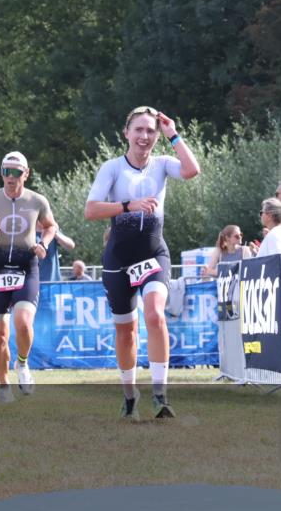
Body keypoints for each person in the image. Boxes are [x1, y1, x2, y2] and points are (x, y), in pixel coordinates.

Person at [84, 106, 200, 421]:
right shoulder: (112, 168)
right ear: (127, 133)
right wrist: (128, 206)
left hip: (153, 254)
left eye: (150, 131)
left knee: (154, 314)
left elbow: (191, 171)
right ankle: (130, 396)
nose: (145, 136)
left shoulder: (162, 164)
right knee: (126, 331)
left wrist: (173, 133)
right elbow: (91, 211)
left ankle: (161, 396)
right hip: (119, 258)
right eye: (139, 130)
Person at [0, 151, 57, 403]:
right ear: (1, 173)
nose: (10, 177)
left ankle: (23, 364)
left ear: (26, 174)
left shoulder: (37, 200)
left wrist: (44, 243)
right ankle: (4, 386)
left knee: (24, 321)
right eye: (6, 171)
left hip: (26, 266)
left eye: (16, 172)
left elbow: (51, 226)